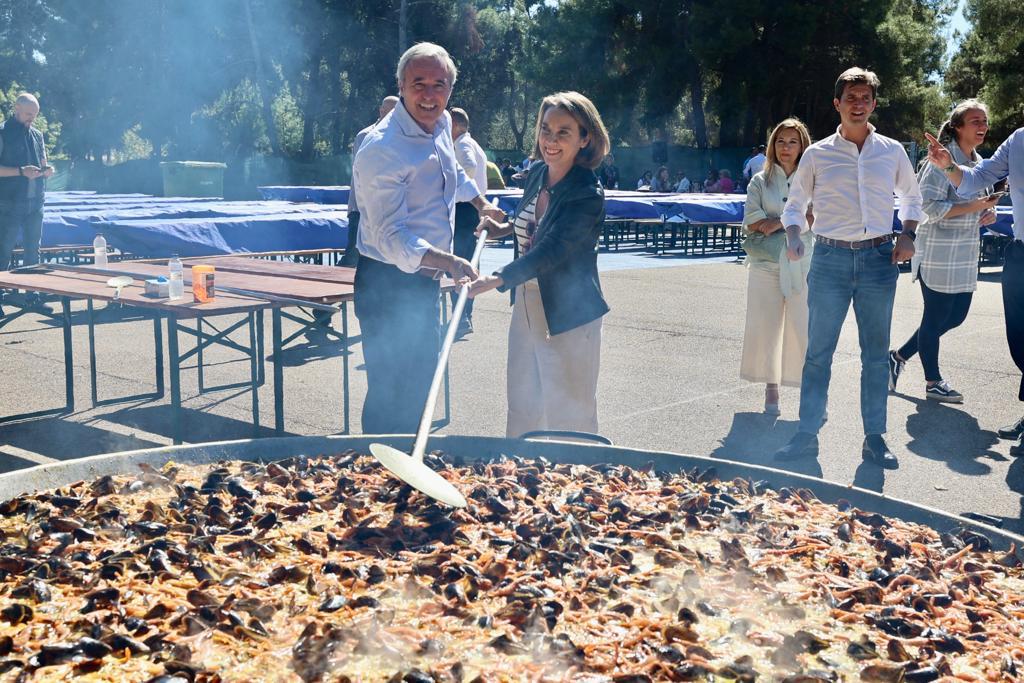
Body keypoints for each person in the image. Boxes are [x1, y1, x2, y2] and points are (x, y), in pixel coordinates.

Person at [774, 67, 925, 468]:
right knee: (818, 354)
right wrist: (793, 235)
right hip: (829, 259)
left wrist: (908, 234)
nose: (858, 105)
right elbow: (795, 205)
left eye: (865, 98)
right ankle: (806, 435)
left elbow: (912, 198)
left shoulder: (891, 151)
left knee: (875, 356)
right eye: (851, 98)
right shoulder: (817, 154)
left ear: (873, 104)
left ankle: (874, 438)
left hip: (878, 260)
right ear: (837, 104)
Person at [352, 42, 503, 434]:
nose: (429, 94)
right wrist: (449, 261)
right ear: (401, 85)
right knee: (389, 392)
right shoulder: (382, 148)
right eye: (419, 83)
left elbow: (453, 175)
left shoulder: (440, 125)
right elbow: (390, 236)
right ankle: (376, 468)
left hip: (422, 282)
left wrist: (482, 204)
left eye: (439, 84)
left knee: (419, 385)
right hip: (386, 283)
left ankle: (408, 465)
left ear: (450, 89)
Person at [469, 91, 610, 437]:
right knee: (523, 403)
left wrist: (498, 278)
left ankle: (576, 469)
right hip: (526, 303)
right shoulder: (536, 174)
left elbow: (552, 249)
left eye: (563, 132)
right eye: (546, 129)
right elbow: (532, 226)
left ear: (584, 138)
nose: (550, 140)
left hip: (569, 313)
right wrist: (502, 228)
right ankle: (519, 467)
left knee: (571, 413)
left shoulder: (587, 194)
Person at [925, 115, 1024, 451]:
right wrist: (948, 166)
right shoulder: (1018, 139)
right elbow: (975, 179)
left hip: (987, 254)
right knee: (1019, 339)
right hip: (1019, 253)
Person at [890, 101, 1000, 403]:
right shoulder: (939, 160)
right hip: (938, 251)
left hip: (965, 252)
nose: (982, 126)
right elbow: (927, 207)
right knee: (936, 317)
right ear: (957, 127)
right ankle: (933, 381)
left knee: (956, 317)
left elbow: (977, 203)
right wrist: (976, 206)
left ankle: (897, 357)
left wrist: (986, 212)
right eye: (975, 121)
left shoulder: (979, 162)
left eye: (985, 121)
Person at [740, 118, 815, 416]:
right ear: (773, 145)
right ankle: (771, 389)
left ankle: (811, 394)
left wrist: (777, 223)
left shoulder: (812, 180)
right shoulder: (759, 180)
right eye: (781, 141)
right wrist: (791, 221)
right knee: (766, 327)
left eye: (793, 141)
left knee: (805, 329)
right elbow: (753, 221)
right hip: (766, 263)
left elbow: (815, 217)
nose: (786, 147)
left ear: (802, 146)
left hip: (803, 264)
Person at [0, 94, 54, 278]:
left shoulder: (37, 135)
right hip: (8, 203)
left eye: (35, 115)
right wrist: (21, 171)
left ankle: (33, 292)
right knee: (3, 253)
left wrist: (48, 170)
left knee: (33, 253)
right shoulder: (2, 133)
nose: (32, 118)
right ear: (16, 108)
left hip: (35, 203)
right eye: (29, 114)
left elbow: (43, 163)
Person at [341, 95, 398, 267]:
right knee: (352, 256)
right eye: (392, 111)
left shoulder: (398, 136)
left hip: (383, 210)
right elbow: (366, 174)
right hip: (361, 209)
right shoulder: (366, 136)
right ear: (381, 111)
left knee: (377, 260)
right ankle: (328, 282)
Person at [450, 106, 489, 336]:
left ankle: (461, 316)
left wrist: (453, 186)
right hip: (470, 211)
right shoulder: (472, 143)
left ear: (454, 125)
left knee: (458, 263)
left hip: (464, 210)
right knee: (469, 263)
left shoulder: (462, 144)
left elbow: (469, 167)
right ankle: (465, 315)